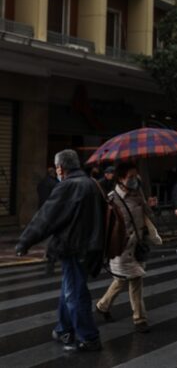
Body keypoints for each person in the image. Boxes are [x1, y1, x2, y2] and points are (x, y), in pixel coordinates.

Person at [15, 149, 103, 352]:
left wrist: (24, 242)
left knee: (75, 293)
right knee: (69, 289)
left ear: (60, 168)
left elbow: (46, 217)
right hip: (88, 246)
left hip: (73, 247)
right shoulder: (90, 183)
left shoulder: (69, 186)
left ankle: (89, 337)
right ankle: (64, 328)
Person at [95, 162, 162, 333]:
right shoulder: (112, 199)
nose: (134, 179)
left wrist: (151, 206)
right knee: (135, 280)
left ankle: (102, 306)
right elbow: (107, 227)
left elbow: (148, 215)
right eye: (131, 176)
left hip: (138, 245)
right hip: (122, 248)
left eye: (136, 176)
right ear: (121, 178)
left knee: (121, 280)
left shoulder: (138, 192)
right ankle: (139, 319)